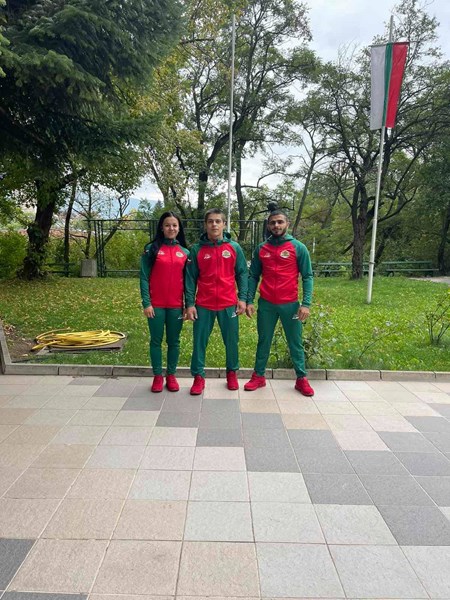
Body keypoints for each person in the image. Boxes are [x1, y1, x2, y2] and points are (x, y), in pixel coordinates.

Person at [244, 209, 315, 396]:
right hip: (266, 304)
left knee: (295, 342)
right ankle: (258, 376)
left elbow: (307, 276)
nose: (276, 225)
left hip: (290, 304)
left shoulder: (298, 247)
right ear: (268, 225)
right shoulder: (261, 249)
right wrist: (249, 300)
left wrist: (306, 304)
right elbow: (253, 276)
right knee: (264, 341)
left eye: (280, 222)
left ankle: (301, 378)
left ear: (287, 224)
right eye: (273, 222)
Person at [185, 208, 248, 395]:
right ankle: (198, 376)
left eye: (218, 221)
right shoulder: (196, 250)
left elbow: (242, 274)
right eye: (210, 221)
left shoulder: (234, 248)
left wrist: (242, 299)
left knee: (232, 341)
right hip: (204, 304)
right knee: (199, 342)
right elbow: (190, 279)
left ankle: (232, 373)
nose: (214, 224)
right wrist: (190, 304)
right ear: (205, 225)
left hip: (229, 303)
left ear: (224, 224)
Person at [140, 211, 189, 393]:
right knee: (156, 341)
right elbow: (144, 277)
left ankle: (171, 375)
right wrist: (147, 303)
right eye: (167, 225)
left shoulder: (185, 252)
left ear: (179, 228)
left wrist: (187, 305)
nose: (171, 228)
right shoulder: (151, 249)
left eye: (174, 225)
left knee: (174, 342)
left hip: (176, 306)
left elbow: (188, 283)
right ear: (161, 227)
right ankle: (157, 376)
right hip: (156, 306)